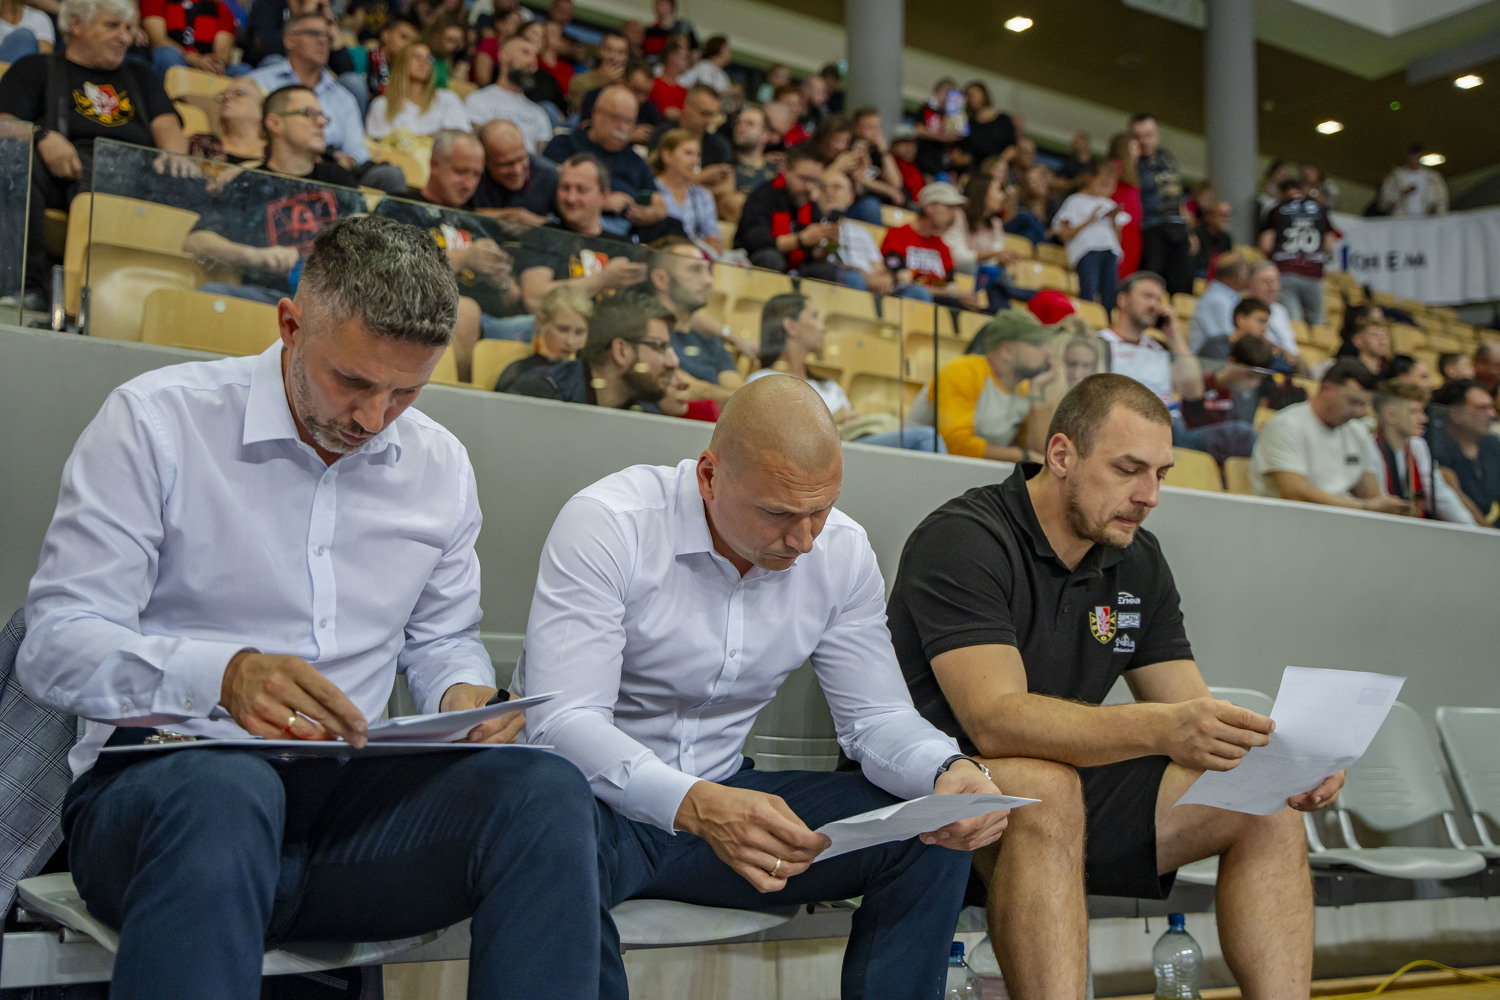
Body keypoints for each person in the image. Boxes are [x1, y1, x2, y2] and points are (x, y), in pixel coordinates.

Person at [17, 215, 603, 999]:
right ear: (290, 325)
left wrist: (461, 696)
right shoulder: (159, 422)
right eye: (353, 382)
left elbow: (443, 639)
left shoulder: (438, 464)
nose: (373, 418)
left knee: (546, 792)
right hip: (165, 789)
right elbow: (54, 646)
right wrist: (224, 677)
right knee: (230, 793)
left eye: (406, 391)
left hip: (350, 804)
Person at [515, 373, 1009, 1000]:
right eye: (778, 513)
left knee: (930, 831)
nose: (803, 540)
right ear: (709, 476)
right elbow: (563, 723)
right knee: (548, 839)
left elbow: (876, 718)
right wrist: (697, 804)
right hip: (596, 812)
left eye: (820, 511)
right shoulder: (612, 524)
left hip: (728, 801)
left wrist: (947, 769)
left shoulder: (842, 552)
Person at [890, 372, 1343, 1000]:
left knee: (1262, 806)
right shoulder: (965, 537)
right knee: (1049, 789)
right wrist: (1159, 728)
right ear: (1062, 455)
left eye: (1160, 474)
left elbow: (1189, 708)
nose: (1149, 495)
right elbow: (993, 721)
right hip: (938, 788)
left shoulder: (1137, 558)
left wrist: (1287, 761)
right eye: (1128, 469)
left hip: (1061, 793)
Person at [0, 0, 188, 308]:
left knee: (190, 178)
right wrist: (41, 135)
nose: (125, 37)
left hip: (133, 175)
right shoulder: (35, 68)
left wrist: (176, 157)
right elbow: (4, 125)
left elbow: (169, 130)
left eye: (128, 28)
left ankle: (165, 303)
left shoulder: (141, 76)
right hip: (60, 175)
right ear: (76, 24)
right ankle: (24, 289)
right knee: (10, 159)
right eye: (112, 26)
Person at [185, 86, 369, 305]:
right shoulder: (249, 182)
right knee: (211, 293)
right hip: (269, 297)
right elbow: (195, 241)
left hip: (331, 303)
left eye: (322, 116)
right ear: (275, 123)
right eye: (309, 114)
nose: (321, 122)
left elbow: (366, 231)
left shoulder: (336, 177)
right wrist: (254, 256)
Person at [377, 129, 534, 366]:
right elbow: (387, 271)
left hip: (491, 323)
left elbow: (512, 300)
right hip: (416, 318)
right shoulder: (399, 207)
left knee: (549, 324)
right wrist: (464, 259)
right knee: (465, 311)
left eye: (476, 174)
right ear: (434, 164)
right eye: (461, 172)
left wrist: (501, 281)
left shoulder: (479, 223)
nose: (468, 183)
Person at [746, 294, 944, 451]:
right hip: (813, 459)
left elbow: (852, 427)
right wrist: (831, 420)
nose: (823, 327)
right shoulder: (761, 382)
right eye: (814, 317)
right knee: (926, 438)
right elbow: (773, 439)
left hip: (848, 453)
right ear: (791, 327)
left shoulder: (829, 386)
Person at [248, 13, 401, 191]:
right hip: (272, 165)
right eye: (314, 33)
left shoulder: (343, 97)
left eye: (327, 36)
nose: (323, 41)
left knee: (390, 175)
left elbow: (358, 151)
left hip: (330, 174)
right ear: (289, 40)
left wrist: (345, 160)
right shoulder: (258, 81)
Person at [1250, 359, 1413, 512]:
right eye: (1352, 402)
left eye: (1363, 405)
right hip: (1290, 520)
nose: (1359, 412)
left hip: (1340, 521)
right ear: (1327, 389)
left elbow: (1371, 493)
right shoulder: (1287, 425)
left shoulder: (1357, 431)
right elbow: (1295, 493)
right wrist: (1365, 507)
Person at [912, 309, 1055, 461]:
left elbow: (1042, 453)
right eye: (1036, 344)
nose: (1048, 351)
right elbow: (954, 445)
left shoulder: (1025, 389)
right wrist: (1023, 456)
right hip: (917, 464)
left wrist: (1037, 393)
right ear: (1006, 350)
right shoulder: (961, 371)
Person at [505, 288, 680, 411]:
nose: (673, 362)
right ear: (620, 351)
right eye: (659, 347)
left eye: (579, 332)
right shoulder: (542, 392)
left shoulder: (645, 410)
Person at [516, 154, 649, 310]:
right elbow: (534, 298)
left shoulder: (624, 246)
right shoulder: (542, 235)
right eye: (565, 188)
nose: (571, 198)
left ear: (604, 196)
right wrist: (602, 279)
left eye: (581, 190)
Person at [544, 84, 672, 239]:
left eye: (629, 122)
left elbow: (659, 203)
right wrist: (600, 201)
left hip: (625, 233)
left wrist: (651, 213)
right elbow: (547, 189)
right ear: (596, 113)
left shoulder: (636, 161)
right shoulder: (565, 144)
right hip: (571, 226)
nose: (622, 127)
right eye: (616, 118)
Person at [639, 235, 744, 402]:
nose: (709, 281)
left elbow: (742, 400)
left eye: (708, 270)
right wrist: (718, 394)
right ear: (661, 279)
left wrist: (703, 391)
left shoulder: (710, 342)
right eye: (695, 270)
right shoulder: (644, 337)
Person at [1368, 380, 1474, 523]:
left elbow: (1439, 494)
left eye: (1423, 411)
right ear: (1390, 415)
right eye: (1414, 411)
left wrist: (1471, 528)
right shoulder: (1371, 449)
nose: (1424, 419)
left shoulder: (1418, 446)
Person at [816, 168, 928, 300]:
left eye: (837, 187)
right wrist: (862, 274)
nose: (829, 192)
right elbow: (820, 262)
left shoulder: (861, 231)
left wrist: (886, 277)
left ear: (851, 196)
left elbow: (878, 265)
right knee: (856, 279)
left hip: (871, 284)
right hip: (841, 278)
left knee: (918, 292)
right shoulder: (814, 225)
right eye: (823, 187)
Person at [734, 144, 840, 280]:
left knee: (826, 270)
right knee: (771, 259)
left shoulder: (811, 205)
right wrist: (800, 240)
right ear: (786, 170)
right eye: (804, 179)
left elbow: (812, 255)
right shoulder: (764, 196)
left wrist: (830, 246)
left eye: (815, 181)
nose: (809, 187)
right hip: (755, 262)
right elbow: (754, 241)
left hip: (794, 267)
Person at [881, 182, 987, 312]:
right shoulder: (897, 235)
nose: (955, 215)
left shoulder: (943, 247)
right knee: (918, 293)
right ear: (929, 207)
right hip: (902, 305)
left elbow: (950, 287)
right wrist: (952, 293)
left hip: (935, 306)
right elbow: (904, 283)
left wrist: (965, 299)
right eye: (949, 207)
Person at [1128, 113, 1191, 295]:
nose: (1144, 141)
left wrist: (1190, 230)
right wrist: (1131, 159)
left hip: (1177, 227)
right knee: (1151, 280)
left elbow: (1176, 195)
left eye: (1148, 135)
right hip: (1150, 228)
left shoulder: (1167, 158)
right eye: (1138, 136)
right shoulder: (1131, 163)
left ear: (1157, 134)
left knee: (1182, 285)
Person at [1259, 176, 1334, 325]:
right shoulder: (1319, 209)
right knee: (1318, 323)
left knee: (1293, 322)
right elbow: (1329, 245)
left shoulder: (1277, 209)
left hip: (1285, 270)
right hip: (1314, 273)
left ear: (1282, 192)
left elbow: (1266, 244)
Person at [1052, 160, 1125, 307]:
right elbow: (1063, 234)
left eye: (1110, 185)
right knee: (1089, 291)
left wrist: (1112, 220)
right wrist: (1090, 220)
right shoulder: (1074, 201)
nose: (1106, 189)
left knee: (1109, 295)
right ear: (1090, 178)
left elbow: (1119, 238)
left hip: (1110, 251)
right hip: (1087, 250)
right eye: (1103, 183)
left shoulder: (1109, 204)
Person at [493, 284, 592, 391]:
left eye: (579, 332)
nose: (570, 342)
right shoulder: (519, 375)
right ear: (541, 321)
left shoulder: (588, 376)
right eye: (563, 329)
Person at [464, 35, 551, 153]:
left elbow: (542, 158)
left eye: (535, 56)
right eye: (525, 52)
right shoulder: (477, 100)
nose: (532, 62)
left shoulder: (539, 113)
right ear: (504, 55)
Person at [1429, 378, 1500, 523]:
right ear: (1456, 414)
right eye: (1482, 408)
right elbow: (1453, 497)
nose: (1492, 414)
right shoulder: (1434, 443)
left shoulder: (1492, 444)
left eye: (1491, 407)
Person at [365, 41, 468, 138]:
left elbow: (462, 138)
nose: (423, 62)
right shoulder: (382, 105)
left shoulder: (447, 99)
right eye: (416, 56)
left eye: (428, 58)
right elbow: (378, 145)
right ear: (401, 62)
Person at [470, 118, 558, 227]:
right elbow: (456, 212)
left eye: (522, 158)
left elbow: (569, 226)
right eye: (506, 164)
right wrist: (506, 216)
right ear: (485, 161)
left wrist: (539, 223)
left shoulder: (548, 175)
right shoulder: (472, 174)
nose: (517, 170)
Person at [1180, 332, 1274, 431]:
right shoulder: (1198, 385)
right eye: (1250, 376)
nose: (1255, 384)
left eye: (1260, 378)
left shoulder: (1247, 400)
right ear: (1232, 362)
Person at [649, 129, 722, 252]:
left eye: (697, 155)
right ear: (667, 155)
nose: (695, 161)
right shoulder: (650, 188)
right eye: (688, 153)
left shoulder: (704, 196)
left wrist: (712, 241)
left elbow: (713, 236)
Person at [142, 0, 237, 77]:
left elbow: (222, 53)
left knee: (241, 71)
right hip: (175, 59)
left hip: (206, 67)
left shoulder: (221, 9)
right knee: (165, 54)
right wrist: (194, 60)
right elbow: (158, 41)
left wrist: (216, 64)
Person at [716, 103, 775, 220]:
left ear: (765, 135)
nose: (740, 127)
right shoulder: (723, 164)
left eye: (750, 124)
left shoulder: (775, 171)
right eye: (738, 122)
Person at [188, 77, 266, 163]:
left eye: (239, 93)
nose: (227, 97)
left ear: (261, 109)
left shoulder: (274, 151)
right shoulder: (202, 143)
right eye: (223, 95)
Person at [1245, 261, 1304, 370]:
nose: (1272, 288)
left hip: (1288, 365)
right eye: (1266, 282)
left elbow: (1292, 348)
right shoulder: (1243, 311)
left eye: (1275, 282)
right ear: (1250, 286)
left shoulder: (1280, 310)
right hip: (1260, 365)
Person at [1187, 252, 1250, 355]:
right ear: (1237, 276)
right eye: (1245, 272)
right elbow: (1225, 340)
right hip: (1206, 360)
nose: (1247, 277)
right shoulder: (1216, 300)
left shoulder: (1230, 297)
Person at [356, 14, 420, 106]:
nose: (408, 45)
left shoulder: (409, 74)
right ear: (385, 35)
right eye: (404, 37)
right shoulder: (360, 56)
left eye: (413, 43)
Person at [951, 80, 1016, 169]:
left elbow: (1012, 147)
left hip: (1000, 168)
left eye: (975, 93)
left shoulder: (1003, 120)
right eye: (969, 95)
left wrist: (997, 163)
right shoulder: (968, 124)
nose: (972, 98)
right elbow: (961, 153)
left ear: (984, 94)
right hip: (976, 170)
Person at [1107, 131, 1143, 279]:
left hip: (1134, 230)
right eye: (1134, 148)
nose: (1138, 152)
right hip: (1120, 228)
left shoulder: (1133, 173)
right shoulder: (1114, 167)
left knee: (1128, 274)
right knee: (1117, 271)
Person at [1378, 143, 1448, 217]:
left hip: (1427, 219)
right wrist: (1402, 193)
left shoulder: (1434, 176)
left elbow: (1442, 198)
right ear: (1408, 157)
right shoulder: (1395, 176)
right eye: (1414, 157)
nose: (1416, 161)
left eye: (1418, 157)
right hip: (1402, 218)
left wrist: (1437, 209)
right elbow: (1384, 201)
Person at [567, 30, 628, 113]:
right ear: (599, 51)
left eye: (620, 52)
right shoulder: (580, 81)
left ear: (626, 57)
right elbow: (579, 111)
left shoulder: (631, 85)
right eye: (609, 50)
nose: (613, 57)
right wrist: (600, 85)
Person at [1198, 296, 1269, 362]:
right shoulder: (1216, 346)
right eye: (1261, 321)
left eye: (1265, 323)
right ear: (1241, 319)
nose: (1264, 329)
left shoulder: (1258, 351)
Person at [649, 35, 692, 120]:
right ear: (672, 57)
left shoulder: (684, 90)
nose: (687, 63)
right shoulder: (652, 84)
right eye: (684, 58)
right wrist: (662, 112)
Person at [1190, 198, 1233, 279]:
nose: (1226, 220)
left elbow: (1228, 263)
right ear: (1210, 217)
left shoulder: (1226, 238)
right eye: (1222, 215)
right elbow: (1196, 262)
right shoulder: (1196, 234)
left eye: (1228, 216)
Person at [1345, 309, 1392, 378]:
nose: (1382, 339)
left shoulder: (1392, 372)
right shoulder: (1347, 371)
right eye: (1374, 335)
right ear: (1358, 340)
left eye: (1384, 335)